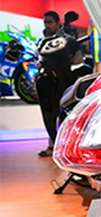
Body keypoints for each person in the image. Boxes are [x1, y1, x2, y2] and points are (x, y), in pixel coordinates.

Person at [35, 11, 78, 157]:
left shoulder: (68, 40)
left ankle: (64, 146)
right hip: (46, 82)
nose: (47, 25)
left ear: (57, 23)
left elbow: (77, 62)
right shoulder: (42, 42)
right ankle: (52, 144)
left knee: (64, 114)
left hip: (64, 82)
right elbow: (39, 60)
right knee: (49, 115)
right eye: (45, 22)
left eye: (50, 22)